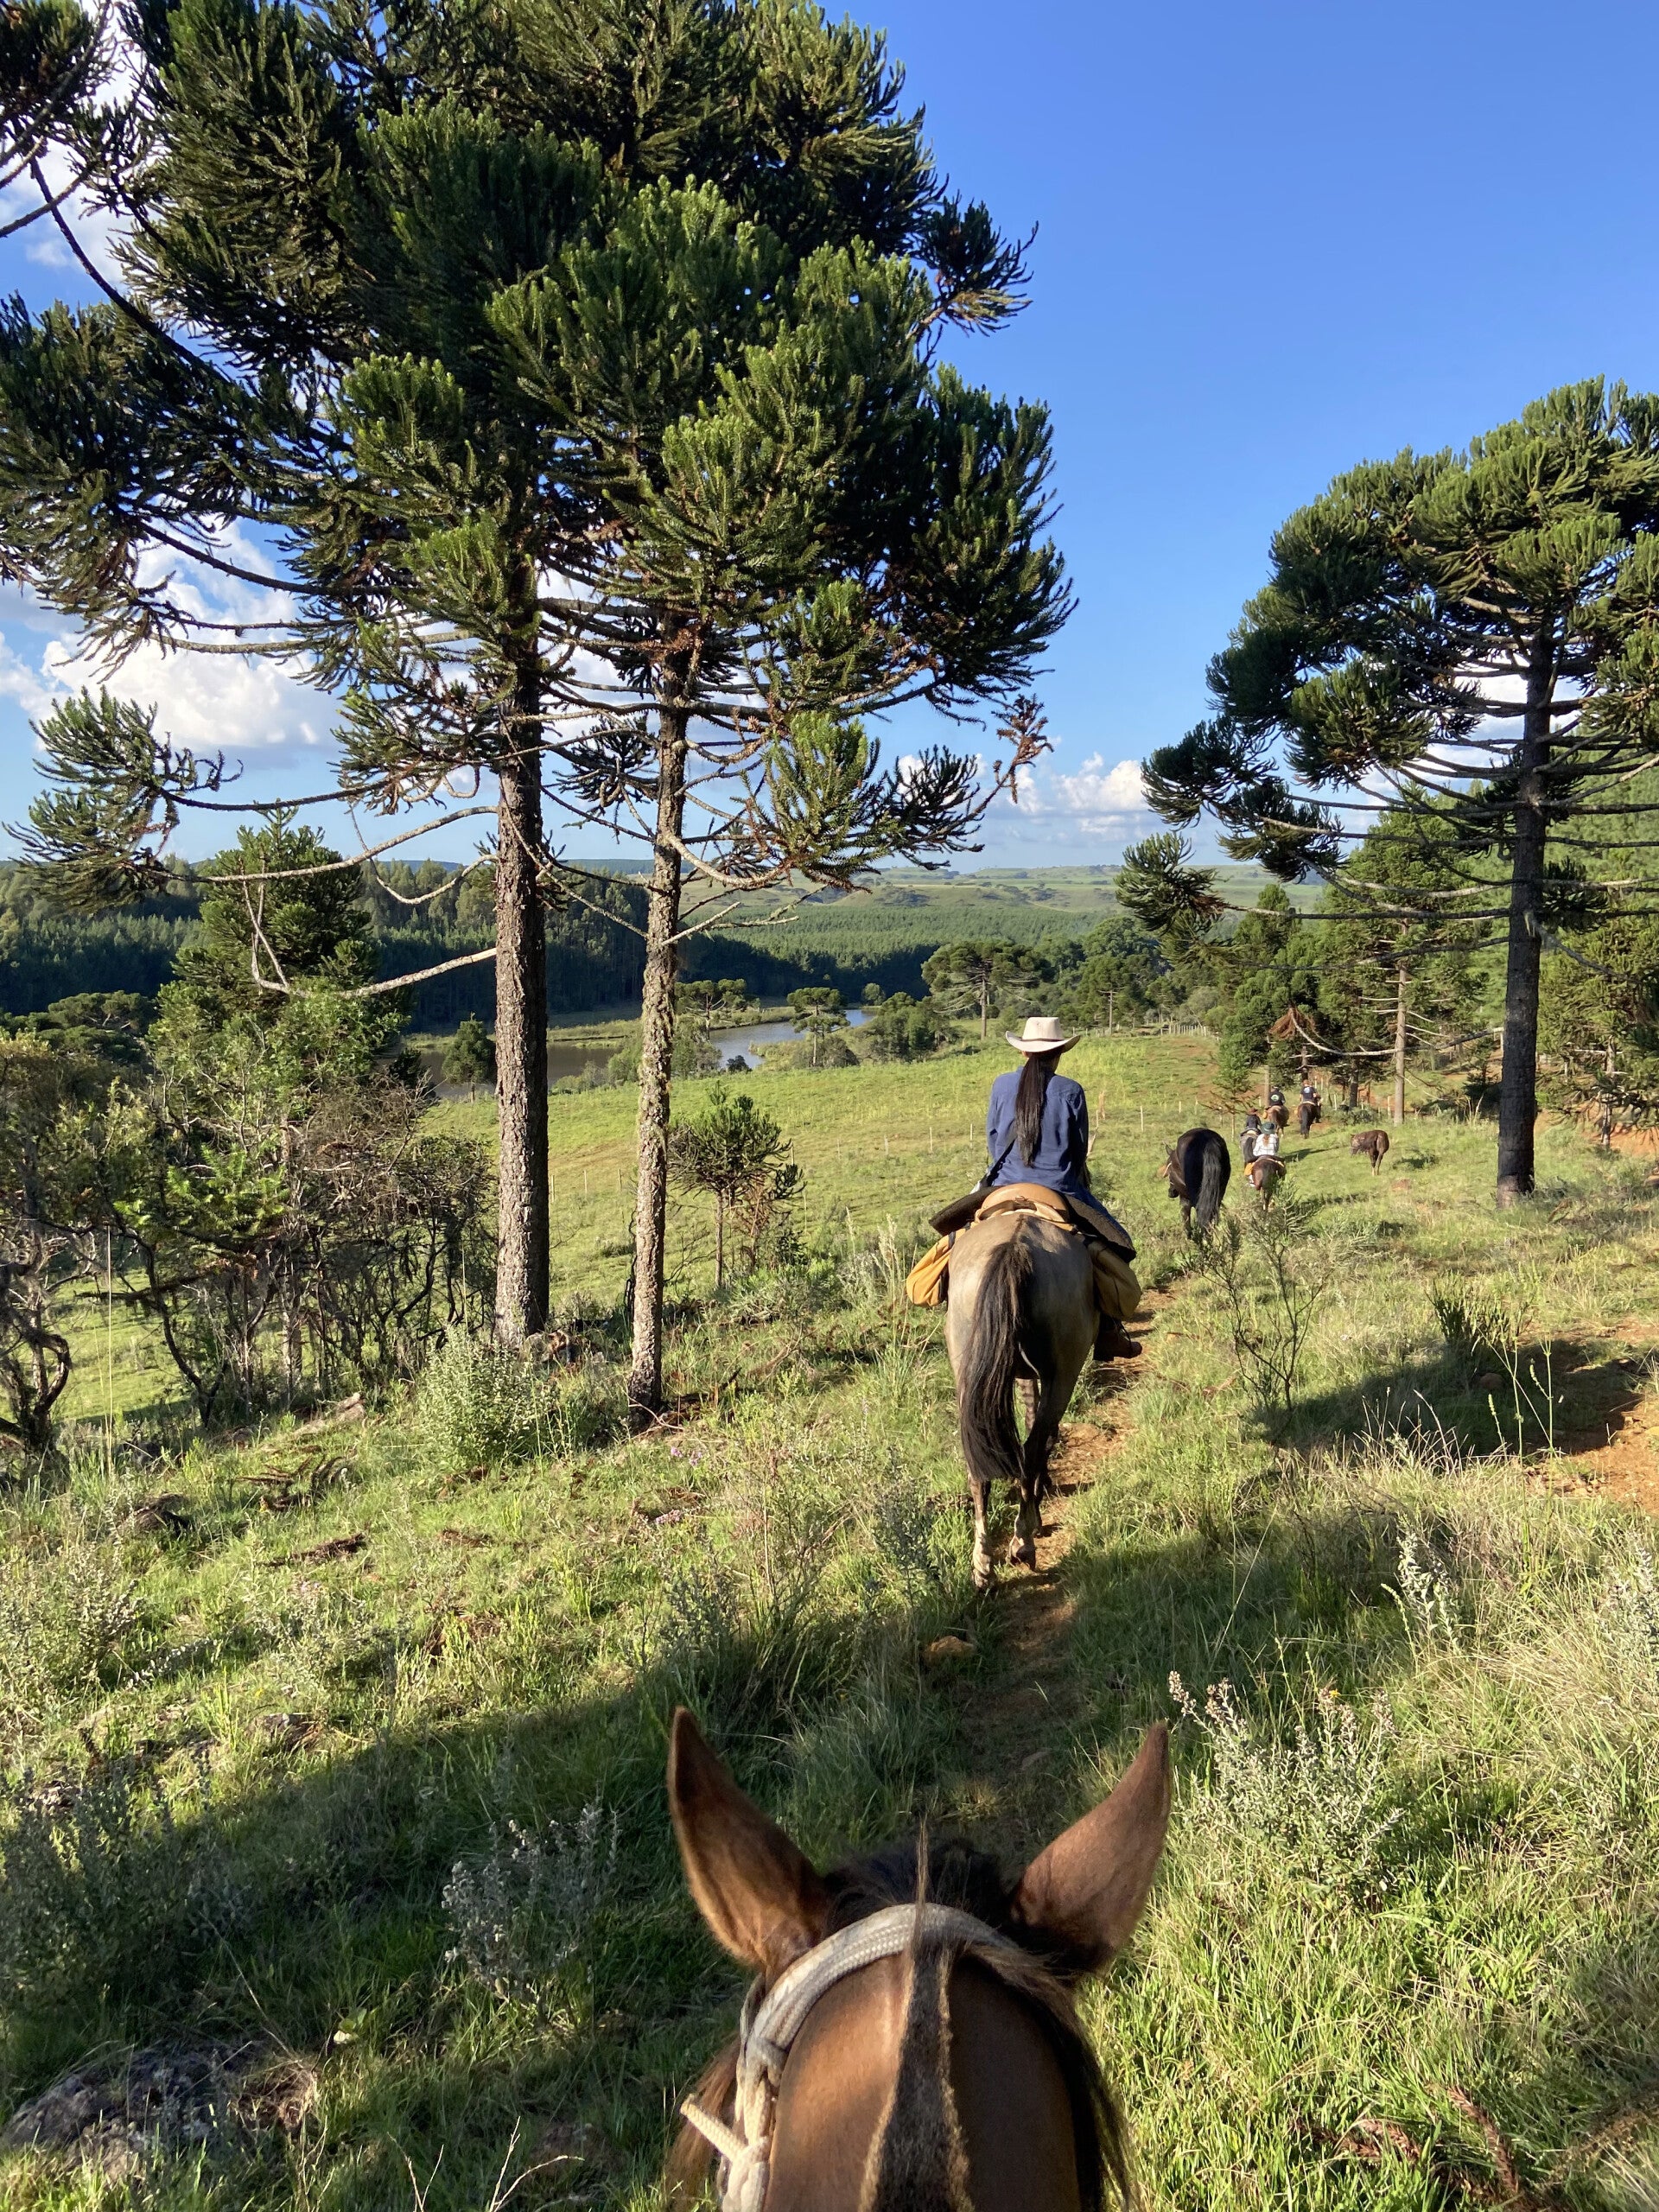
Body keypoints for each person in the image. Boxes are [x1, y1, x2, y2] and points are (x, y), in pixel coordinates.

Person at [984, 1016, 1140, 1360]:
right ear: (1058, 1054)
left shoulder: (1001, 1085)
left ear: (1024, 1052)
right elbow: (1078, 1150)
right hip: (1061, 1188)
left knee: (958, 1232)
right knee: (1120, 1245)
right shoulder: (1070, 1091)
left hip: (1004, 1183)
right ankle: (1109, 1331)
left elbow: (994, 1141)